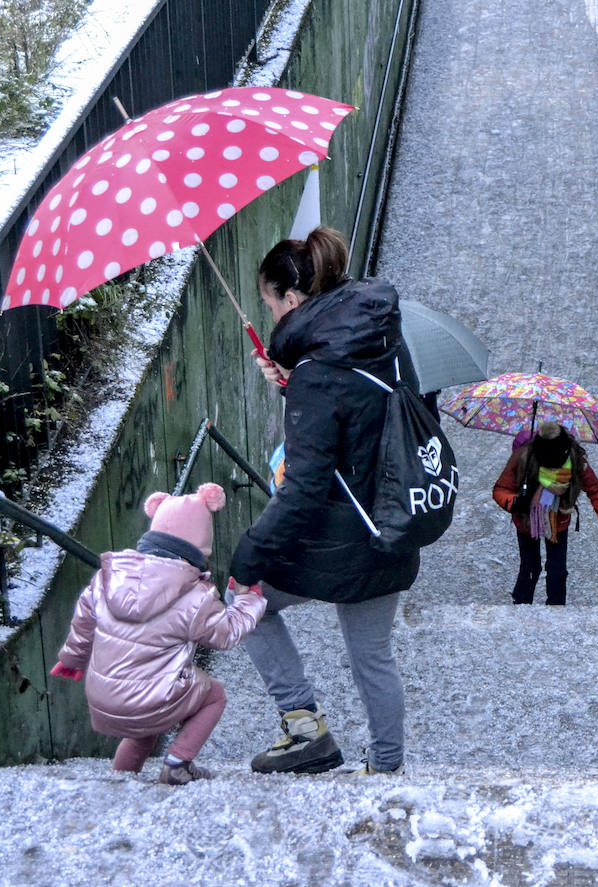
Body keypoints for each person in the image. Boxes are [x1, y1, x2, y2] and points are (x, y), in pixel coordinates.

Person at [228, 226, 417, 777]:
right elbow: (361, 412)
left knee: (246, 601)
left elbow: (306, 485)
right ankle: (386, 769)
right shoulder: (383, 336)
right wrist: (294, 385)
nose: (270, 317)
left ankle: (304, 728)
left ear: (290, 300)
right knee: (374, 657)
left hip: (336, 535)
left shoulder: (316, 374)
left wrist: (248, 558)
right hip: (390, 524)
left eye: (269, 304)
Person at [49, 483, 266, 785]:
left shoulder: (106, 578)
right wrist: (250, 600)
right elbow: (226, 634)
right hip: (151, 699)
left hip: (102, 698)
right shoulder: (194, 595)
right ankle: (177, 763)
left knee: (145, 725)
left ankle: (120, 779)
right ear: (197, 549)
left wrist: (71, 660)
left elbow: (83, 623)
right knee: (214, 695)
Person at [492, 420, 598, 605]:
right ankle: (520, 611)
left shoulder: (575, 460)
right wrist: (516, 502)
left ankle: (556, 611)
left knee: (557, 571)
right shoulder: (523, 456)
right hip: (526, 521)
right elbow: (501, 489)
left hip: (559, 521)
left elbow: (596, 490)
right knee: (530, 568)